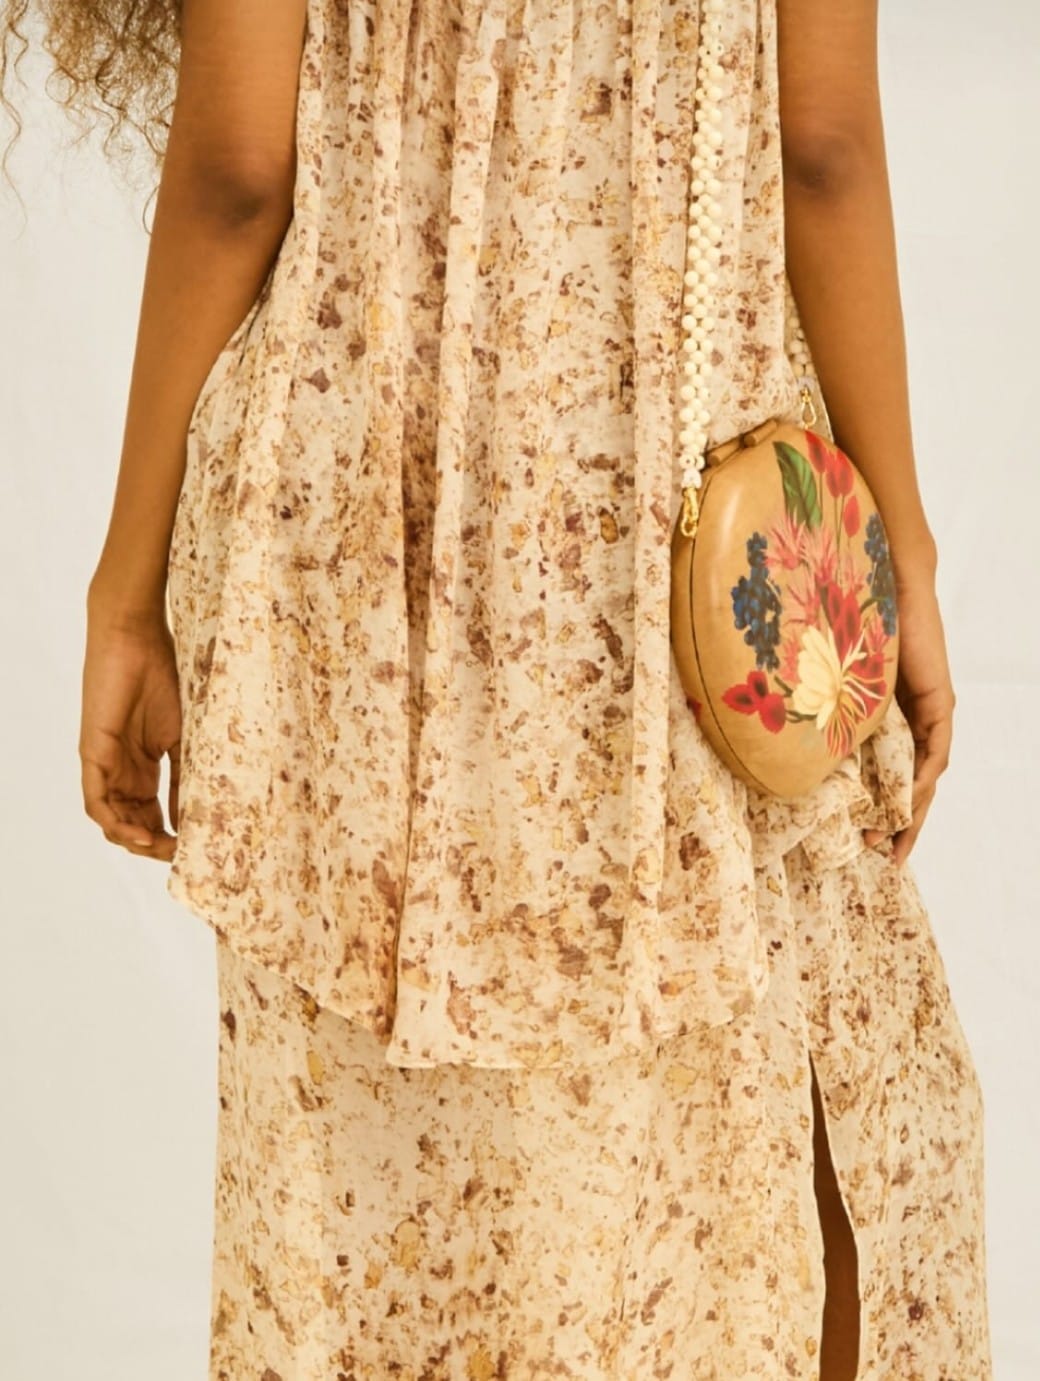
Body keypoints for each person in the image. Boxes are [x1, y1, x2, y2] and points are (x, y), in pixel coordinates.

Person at [2, 0, 987, 1372]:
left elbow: (237, 169)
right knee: (769, 1122)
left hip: (361, 550)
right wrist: (903, 550)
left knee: (377, 1184)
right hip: (686, 550)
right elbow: (822, 149)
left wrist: (128, 586)